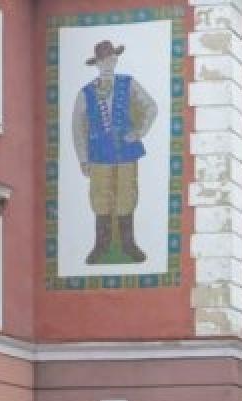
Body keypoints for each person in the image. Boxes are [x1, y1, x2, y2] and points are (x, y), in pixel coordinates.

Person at [71, 39, 158, 263]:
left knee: (127, 194)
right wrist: (83, 159)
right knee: (100, 197)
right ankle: (101, 245)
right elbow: (78, 127)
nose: (108, 63)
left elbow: (151, 106)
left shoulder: (128, 84)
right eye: (103, 60)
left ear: (116, 60)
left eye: (111, 59)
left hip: (126, 152)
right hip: (99, 155)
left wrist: (139, 132)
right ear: (97, 64)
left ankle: (128, 244)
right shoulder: (86, 93)